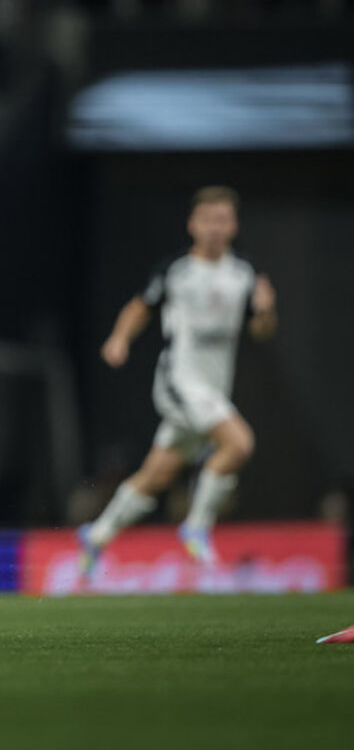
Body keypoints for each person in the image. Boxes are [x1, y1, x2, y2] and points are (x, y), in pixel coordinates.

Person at [79, 186, 277, 576]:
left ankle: (97, 534)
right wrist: (120, 338)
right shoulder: (177, 270)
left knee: (158, 473)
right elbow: (141, 306)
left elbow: (261, 331)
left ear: (233, 225)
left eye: (222, 220)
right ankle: (197, 527)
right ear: (193, 224)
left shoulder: (245, 273)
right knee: (239, 442)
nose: (215, 228)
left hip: (214, 387)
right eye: (208, 220)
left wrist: (267, 311)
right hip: (179, 381)